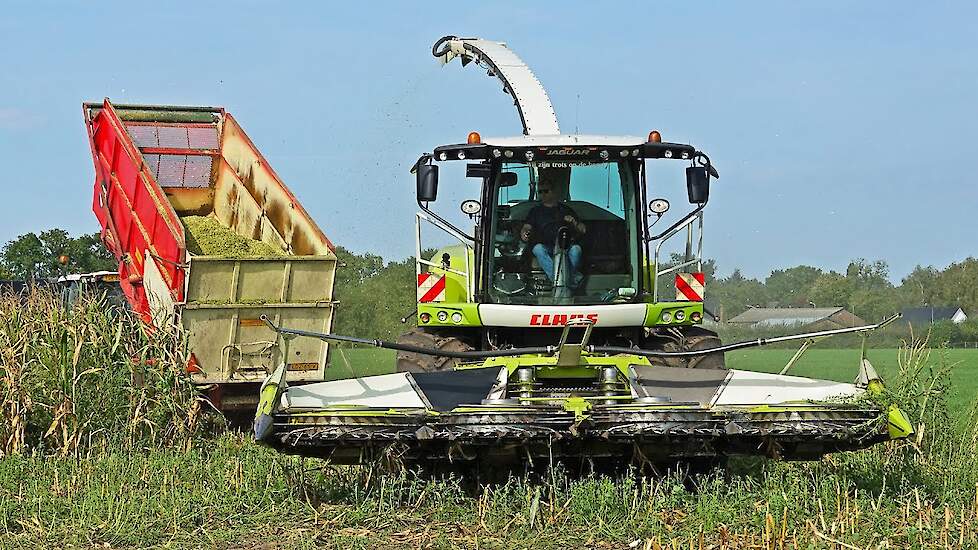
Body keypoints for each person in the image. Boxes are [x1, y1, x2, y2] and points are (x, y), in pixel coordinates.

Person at [520, 180, 586, 287]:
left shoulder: (566, 209)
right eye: (540, 192)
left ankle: (563, 281)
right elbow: (527, 227)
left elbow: (583, 229)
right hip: (546, 246)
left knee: (576, 249)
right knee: (537, 249)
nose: (542, 194)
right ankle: (567, 281)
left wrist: (574, 222)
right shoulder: (535, 211)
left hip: (566, 246)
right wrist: (524, 233)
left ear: (554, 192)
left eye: (545, 191)